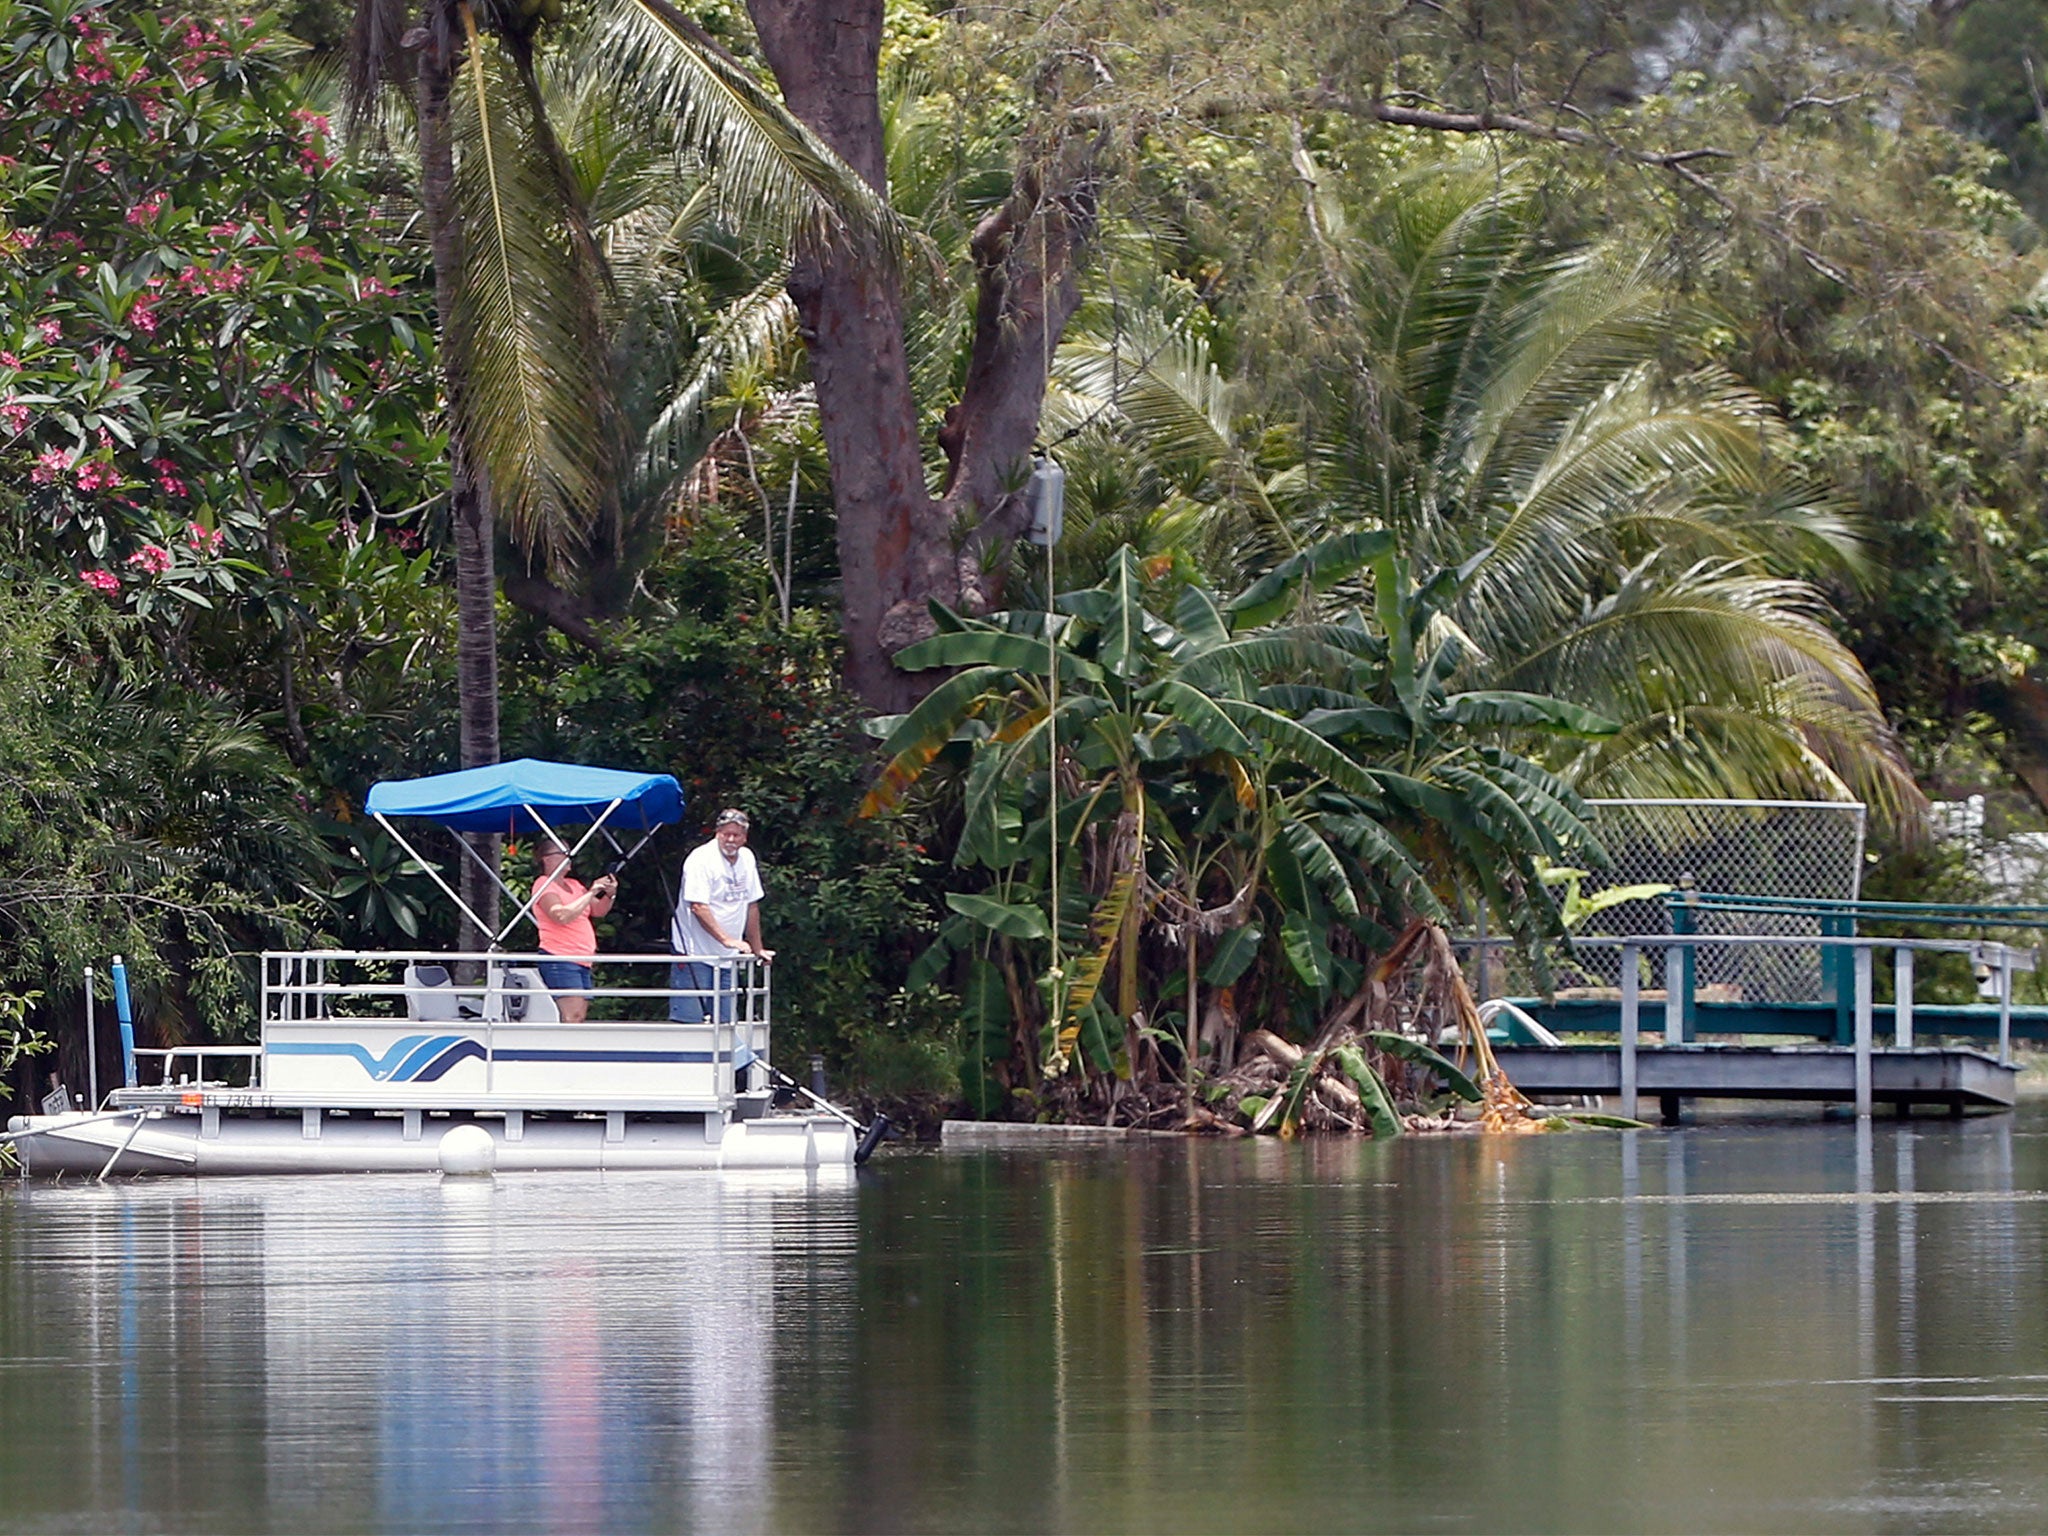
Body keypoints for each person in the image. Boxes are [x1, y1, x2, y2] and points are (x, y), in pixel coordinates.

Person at [669, 809, 773, 1032]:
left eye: (737, 835)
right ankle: (688, 1065)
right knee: (690, 1024)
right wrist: (727, 939)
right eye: (726, 834)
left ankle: (728, 1067)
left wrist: (757, 949)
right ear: (717, 833)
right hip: (694, 953)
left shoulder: (747, 858)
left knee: (727, 1025)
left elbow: (751, 905)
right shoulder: (701, 859)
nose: (731, 840)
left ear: (745, 837)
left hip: (728, 959)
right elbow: (698, 906)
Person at [531, 841, 616, 1023]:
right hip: (560, 956)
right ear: (546, 859)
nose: (568, 857)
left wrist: (609, 894)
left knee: (579, 1015)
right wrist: (591, 892)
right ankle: (563, 1050)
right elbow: (560, 915)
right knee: (572, 1015)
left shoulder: (575, 885)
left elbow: (598, 910)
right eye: (562, 853)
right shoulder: (543, 884)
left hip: (581, 959)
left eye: (569, 852)